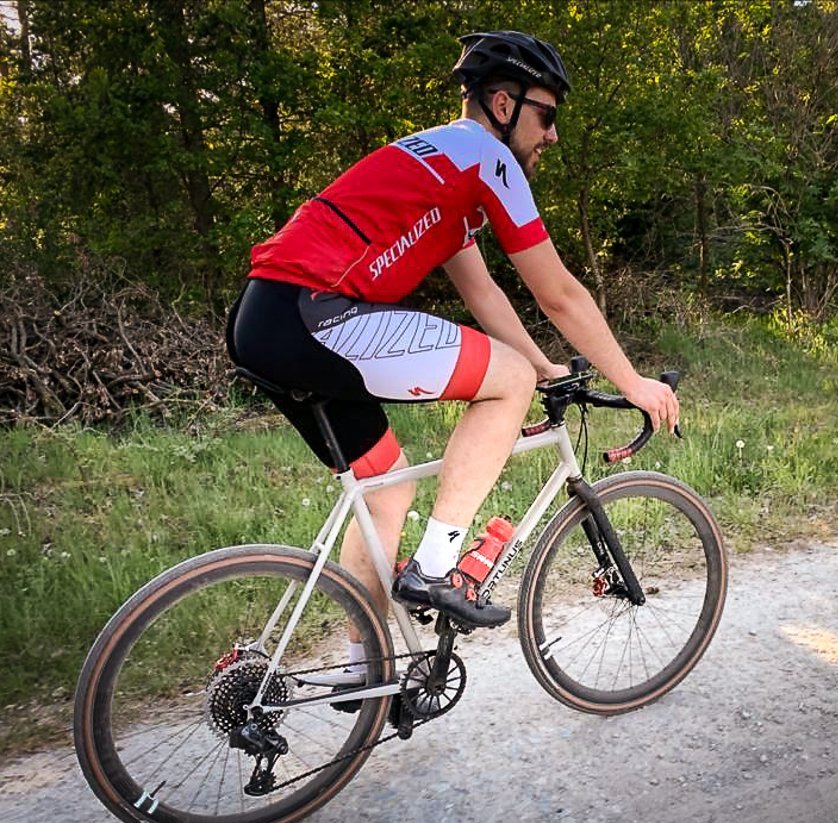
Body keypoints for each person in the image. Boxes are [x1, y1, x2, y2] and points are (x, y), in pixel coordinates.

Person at [227, 31, 679, 670]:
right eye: (546, 116)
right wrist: (632, 381)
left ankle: (364, 676)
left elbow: (486, 292)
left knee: (384, 491)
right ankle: (439, 569)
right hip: (317, 314)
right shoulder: (484, 158)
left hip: (268, 317)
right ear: (503, 104)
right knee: (506, 381)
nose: (552, 135)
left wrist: (545, 368)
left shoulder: (442, 165)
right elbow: (558, 296)